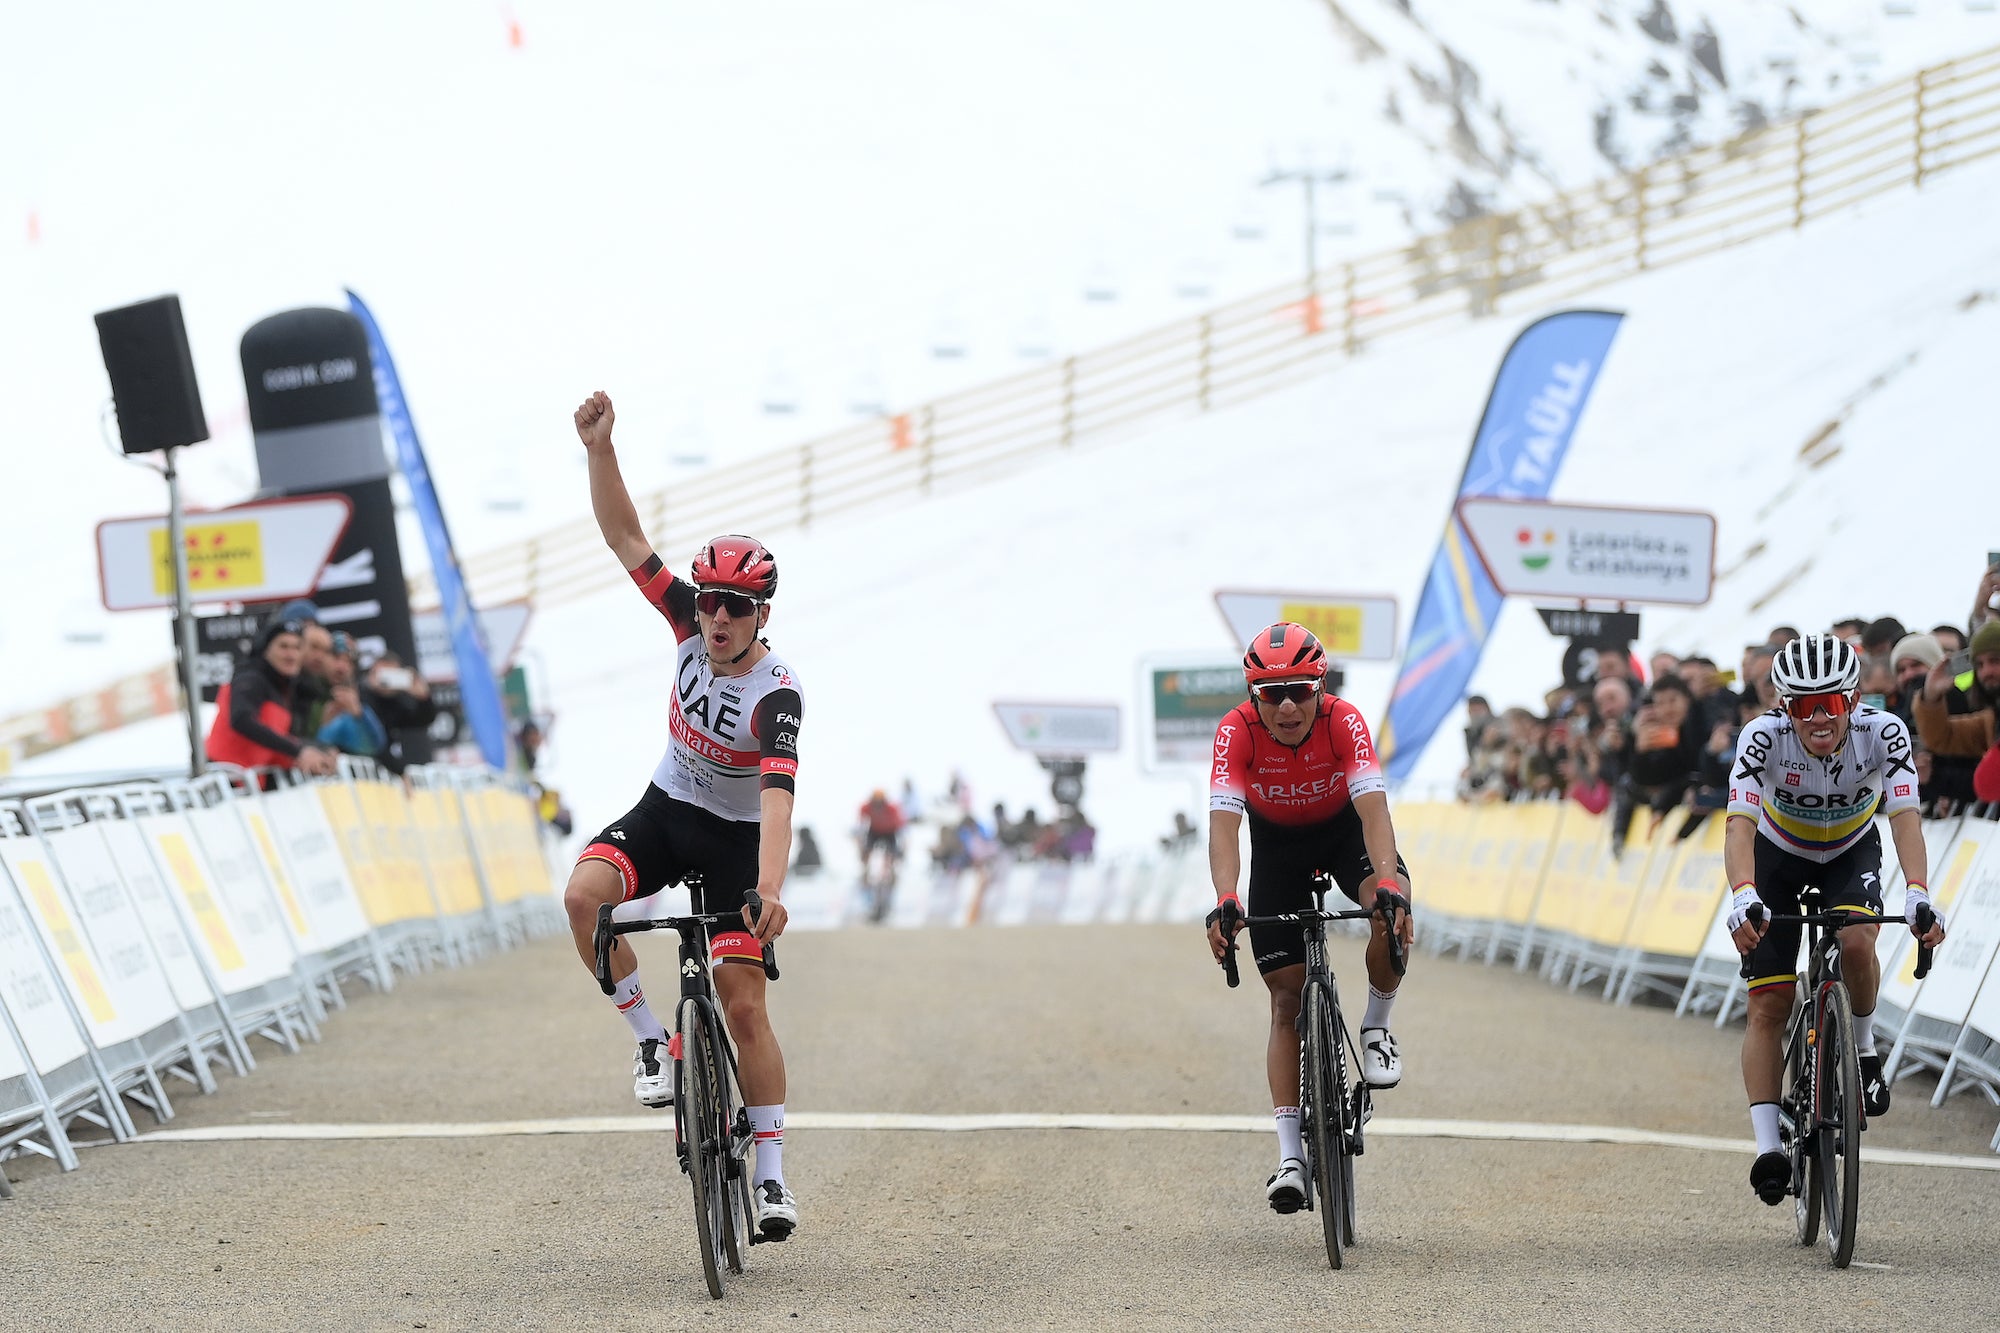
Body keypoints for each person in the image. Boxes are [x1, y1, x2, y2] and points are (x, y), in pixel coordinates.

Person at [560, 390, 801, 1241]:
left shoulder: (778, 693)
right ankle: (651, 1042)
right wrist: (600, 452)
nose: (719, 617)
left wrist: (768, 888)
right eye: (709, 600)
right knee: (584, 898)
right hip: (667, 810)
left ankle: (771, 1173)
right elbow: (627, 540)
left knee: (743, 1008)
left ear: (763, 613)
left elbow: (777, 799)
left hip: (739, 842)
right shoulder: (686, 628)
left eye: (737, 605)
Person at [1724, 634, 1945, 1207]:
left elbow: (1905, 820)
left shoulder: (1885, 732)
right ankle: (1769, 1147)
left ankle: (1864, 1047)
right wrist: (1743, 893)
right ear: (1783, 707)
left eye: (1830, 703)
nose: (1818, 718)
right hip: (1777, 855)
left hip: (1850, 850)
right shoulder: (1761, 738)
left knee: (1856, 941)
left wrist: (1919, 892)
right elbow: (1739, 828)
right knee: (1768, 1004)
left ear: (1853, 699)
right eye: (1802, 705)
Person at [1204, 623, 1414, 1215]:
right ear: (1254, 696)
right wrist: (1227, 897)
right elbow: (1225, 829)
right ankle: (1292, 1155)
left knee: (1390, 910)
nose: (1288, 705)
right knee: (1284, 1001)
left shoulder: (1344, 720)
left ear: (1320, 686)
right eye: (1272, 693)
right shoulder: (1234, 733)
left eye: (1300, 689)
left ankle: (1375, 1027)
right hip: (1279, 850)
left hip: (1345, 832)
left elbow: (1374, 813)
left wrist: (1390, 885)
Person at [206, 617, 340, 777]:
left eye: (297, 648)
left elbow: (277, 739)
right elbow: (241, 719)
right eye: (283, 646)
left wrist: (319, 749)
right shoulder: (251, 678)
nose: (291, 655)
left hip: (253, 783)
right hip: (226, 781)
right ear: (266, 649)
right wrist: (299, 751)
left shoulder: (284, 688)